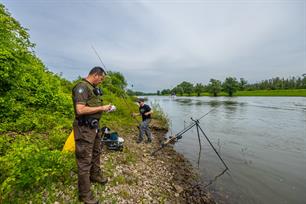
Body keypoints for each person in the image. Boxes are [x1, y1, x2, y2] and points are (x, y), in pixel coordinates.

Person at [72, 66, 112, 204]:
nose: (101, 81)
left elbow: (91, 106)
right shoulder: (82, 87)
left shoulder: (91, 87)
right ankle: (84, 195)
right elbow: (80, 109)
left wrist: (105, 109)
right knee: (84, 160)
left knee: (96, 152)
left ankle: (95, 175)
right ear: (95, 75)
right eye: (101, 78)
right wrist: (102, 107)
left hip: (94, 127)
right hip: (84, 129)